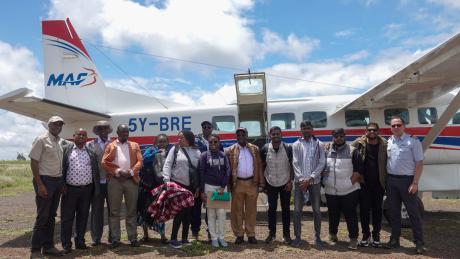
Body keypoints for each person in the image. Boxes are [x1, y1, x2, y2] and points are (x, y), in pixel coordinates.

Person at [384, 116, 425, 255]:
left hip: (407, 181)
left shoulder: (412, 141)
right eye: (393, 125)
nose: (396, 127)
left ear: (404, 126)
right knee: (394, 213)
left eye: (398, 125)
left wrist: (415, 182)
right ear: (390, 127)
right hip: (391, 181)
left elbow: (419, 163)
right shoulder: (388, 141)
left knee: (413, 213)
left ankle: (419, 242)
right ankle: (394, 240)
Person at [29, 116, 68, 258]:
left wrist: (61, 182)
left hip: (57, 181)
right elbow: (34, 162)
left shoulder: (58, 142)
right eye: (55, 124)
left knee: (51, 216)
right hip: (45, 181)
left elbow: (59, 165)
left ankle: (48, 247)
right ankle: (35, 250)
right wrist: (40, 185)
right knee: (42, 217)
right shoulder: (41, 140)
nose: (58, 127)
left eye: (60, 125)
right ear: (49, 125)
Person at [102, 124, 143, 248]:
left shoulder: (135, 145)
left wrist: (130, 172)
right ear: (117, 133)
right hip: (115, 180)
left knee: (131, 210)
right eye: (122, 132)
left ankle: (133, 238)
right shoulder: (111, 145)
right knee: (114, 211)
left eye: (127, 132)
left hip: (131, 180)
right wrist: (118, 171)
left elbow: (140, 161)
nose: (125, 134)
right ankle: (115, 239)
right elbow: (104, 162)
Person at [60, 129, 100, 254]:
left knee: (83, 217)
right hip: (70, 189)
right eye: (79, 135)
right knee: (67, 218)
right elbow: (61, 168)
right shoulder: (66, 150)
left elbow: (95, 171)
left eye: (84, 135)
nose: (81, 137)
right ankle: (66, 244)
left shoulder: (91, 152)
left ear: (87, 138)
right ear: (74, 136)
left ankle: (80, 242)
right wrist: (62, 184)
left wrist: (95, 188)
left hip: (86, 190)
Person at [323, 128, 361, 250]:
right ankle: (332, 235)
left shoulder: (353, 151)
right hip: (331, 191)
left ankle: (353, 239)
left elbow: (358, 171)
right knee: (333, 214)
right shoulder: (327, 150)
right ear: (332, 137)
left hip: (349, 190)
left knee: (350, 215)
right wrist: (325, 182)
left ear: (344, 136)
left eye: (341, 136)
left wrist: (349, 184)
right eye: (336, 136)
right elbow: (322, 167)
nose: (338, 138)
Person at [162, 130, 201, 249]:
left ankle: (184, 239)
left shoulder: (197, 151)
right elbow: (167, 165)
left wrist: (198, 187)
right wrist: (166, 181)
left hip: (191, 186)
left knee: (188, 214)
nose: (179, 140)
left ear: (189, 139)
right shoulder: (175, 150)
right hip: (178, 185)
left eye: (182, 138)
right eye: (178, 138)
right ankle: (173, 239)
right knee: (179, 212)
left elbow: (199, 170)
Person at [351, 122, 387, 247]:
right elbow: (347, 148)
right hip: (364, 183)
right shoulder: (359, 143)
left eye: (374, 130)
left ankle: (376, 236)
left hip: (379, 184)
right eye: (370, 130)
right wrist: (329, 145)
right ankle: (366, 235)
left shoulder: (385, 144)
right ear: (366, 131)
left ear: (378, 131)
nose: (372, 132)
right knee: (364, 211)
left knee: (378, 210)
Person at [227, 127, 264, 245]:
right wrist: (228, 185)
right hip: (237, 183)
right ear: (236, 137)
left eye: (243, 134)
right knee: (237, 210)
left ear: (247, 135)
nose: (241, 137)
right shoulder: (231, 150)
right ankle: (239, 234)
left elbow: (259, 165)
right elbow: (228, 169)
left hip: (252, 183)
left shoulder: (255, 149)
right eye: (238, 135)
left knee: (251, 210)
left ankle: (251, 234)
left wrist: (261, 182)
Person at [291, 121, 325, 248]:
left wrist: (310, 178)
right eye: (304, 128)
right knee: (297, 211)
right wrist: (301, 180)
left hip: (314, 182)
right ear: (301, 130)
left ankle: (318, 237)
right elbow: (295, 163)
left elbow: (322, 163)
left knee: (316, 210)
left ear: (312, 129)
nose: (306, 130)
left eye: (308, 128)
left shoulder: (319, 144)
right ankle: (297, 237)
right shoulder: (296, 144)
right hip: (299, 183)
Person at [260, 126, 293, 244]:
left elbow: (292, 166)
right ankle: (272, 234)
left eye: (278, 134)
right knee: (271, 209)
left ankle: (286, 235)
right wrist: (263, 183)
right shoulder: (264, 148)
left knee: (286, 210)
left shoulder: (288, 148)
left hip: (285, 183)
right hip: (270, 183)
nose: (275, 136)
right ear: (270, 136)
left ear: (281, 135)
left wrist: (290, 181)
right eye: (273, 134)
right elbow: (262, 166)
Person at [199, 134, 231, 248]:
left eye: (215, 142)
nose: (213, 144)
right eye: (211, 142)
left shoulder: (223, 155)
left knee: (222, 213)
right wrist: (202, 191)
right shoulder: (204, 156)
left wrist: (223, 186)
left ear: (219, 142)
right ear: (208, 143)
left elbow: (227, 171)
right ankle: (213, 238)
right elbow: (201, 174)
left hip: (221, 188)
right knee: (211, 214)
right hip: (209, 187)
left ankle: (221, 237)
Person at [137, 134, 170, 243]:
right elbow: (143, 160)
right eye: (160, 142)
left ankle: (162, 236)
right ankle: (146, 235)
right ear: (155, 143)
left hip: (159, 186)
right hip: (146, 186)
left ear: (167, 142)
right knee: (144, 210)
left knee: (160, 211)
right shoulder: (149, 150)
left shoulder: (169, 153)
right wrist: (155, 154)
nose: (162, 144)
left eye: (164, 141)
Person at [86, 120, 113, 246]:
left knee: (113, 210)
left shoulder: (115, 144)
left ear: (108, 130)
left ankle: (113, 237)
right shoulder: (90, 145)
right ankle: (96, 237)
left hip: (112, 183)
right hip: (97, 183)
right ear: (97, 131)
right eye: (100, 129)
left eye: (105, 129)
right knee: (97, 211)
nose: (103, 131)